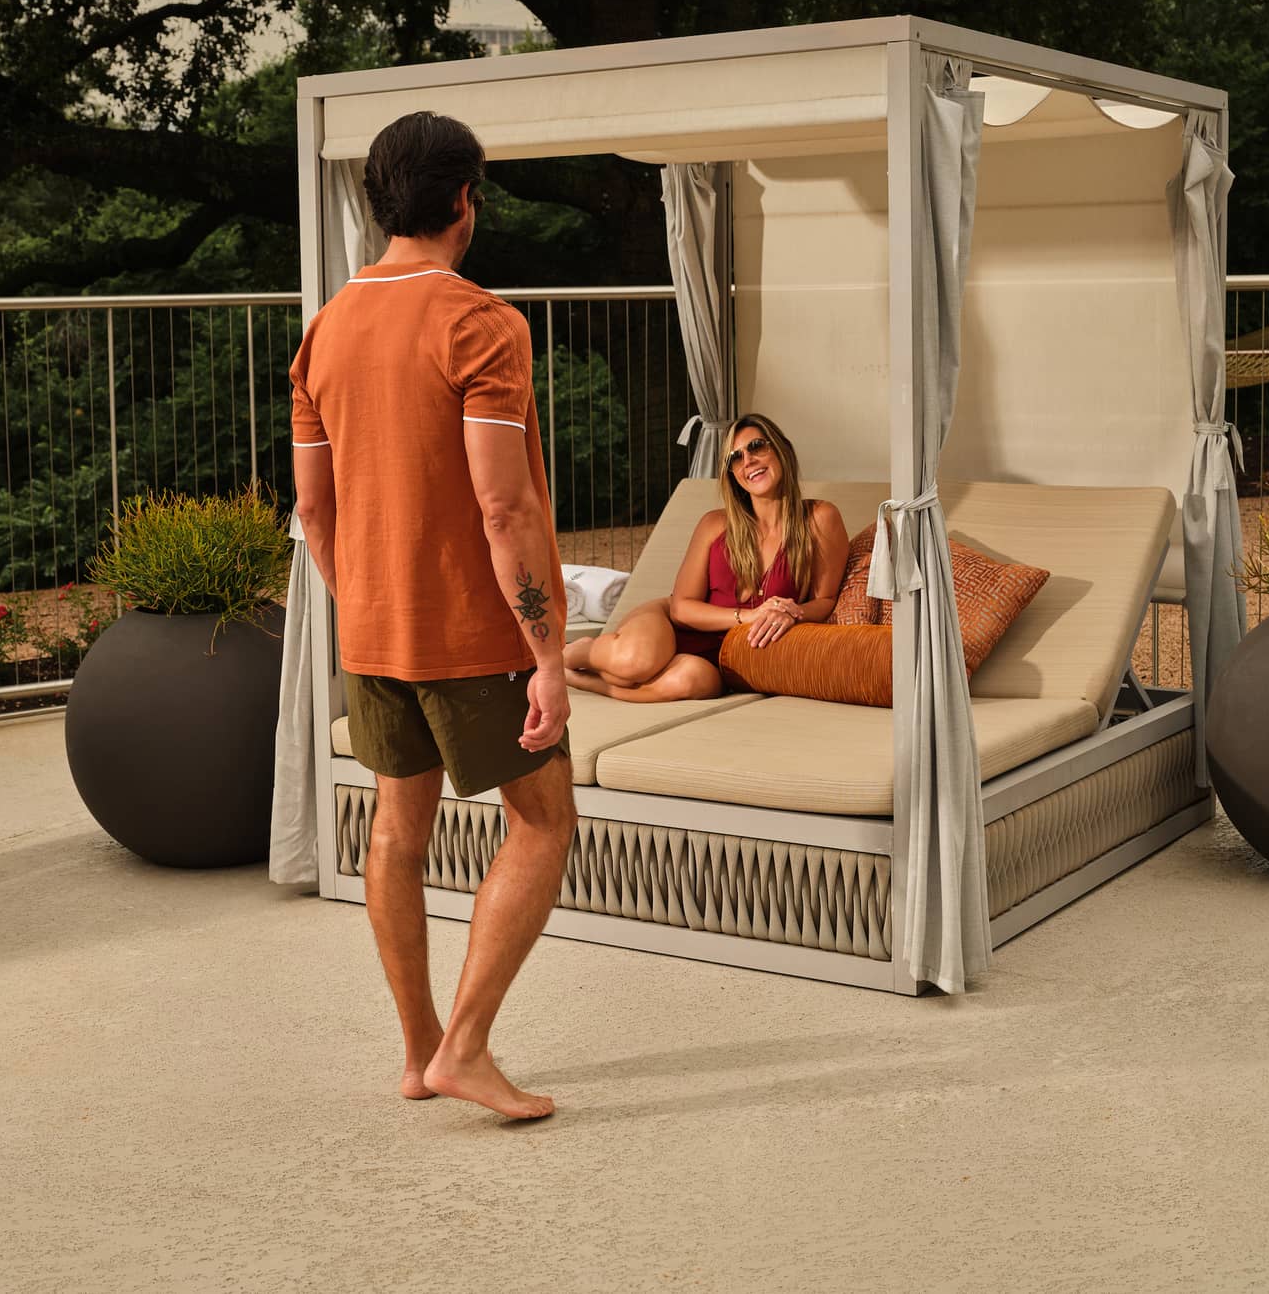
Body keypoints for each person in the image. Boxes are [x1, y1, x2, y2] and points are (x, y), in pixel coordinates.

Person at [290, 110, 574, 1122]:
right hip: (474, 638)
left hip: (372, 632)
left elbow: (312, 511)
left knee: (397, 831)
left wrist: (366, 600)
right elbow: (504, 506)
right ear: (463, 199)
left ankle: (420, 1052)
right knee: (543, 823)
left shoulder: (323, 329)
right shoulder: (480, 323)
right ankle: (466, 1047)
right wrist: (550, 651)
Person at [564, 414, 849, 702]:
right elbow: (681, 608)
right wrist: (751, 616)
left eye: (757, 446)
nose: (747, 461)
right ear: (732, 475)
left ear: (782, 449)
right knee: (636, 664)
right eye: (735, 458)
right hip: (672, 625)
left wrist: (791, 611)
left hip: (722, 657)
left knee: (693, 682)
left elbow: (825, 602)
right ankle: (570, 653)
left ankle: (581, 679)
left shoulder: (819, 519)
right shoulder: (715, 525)